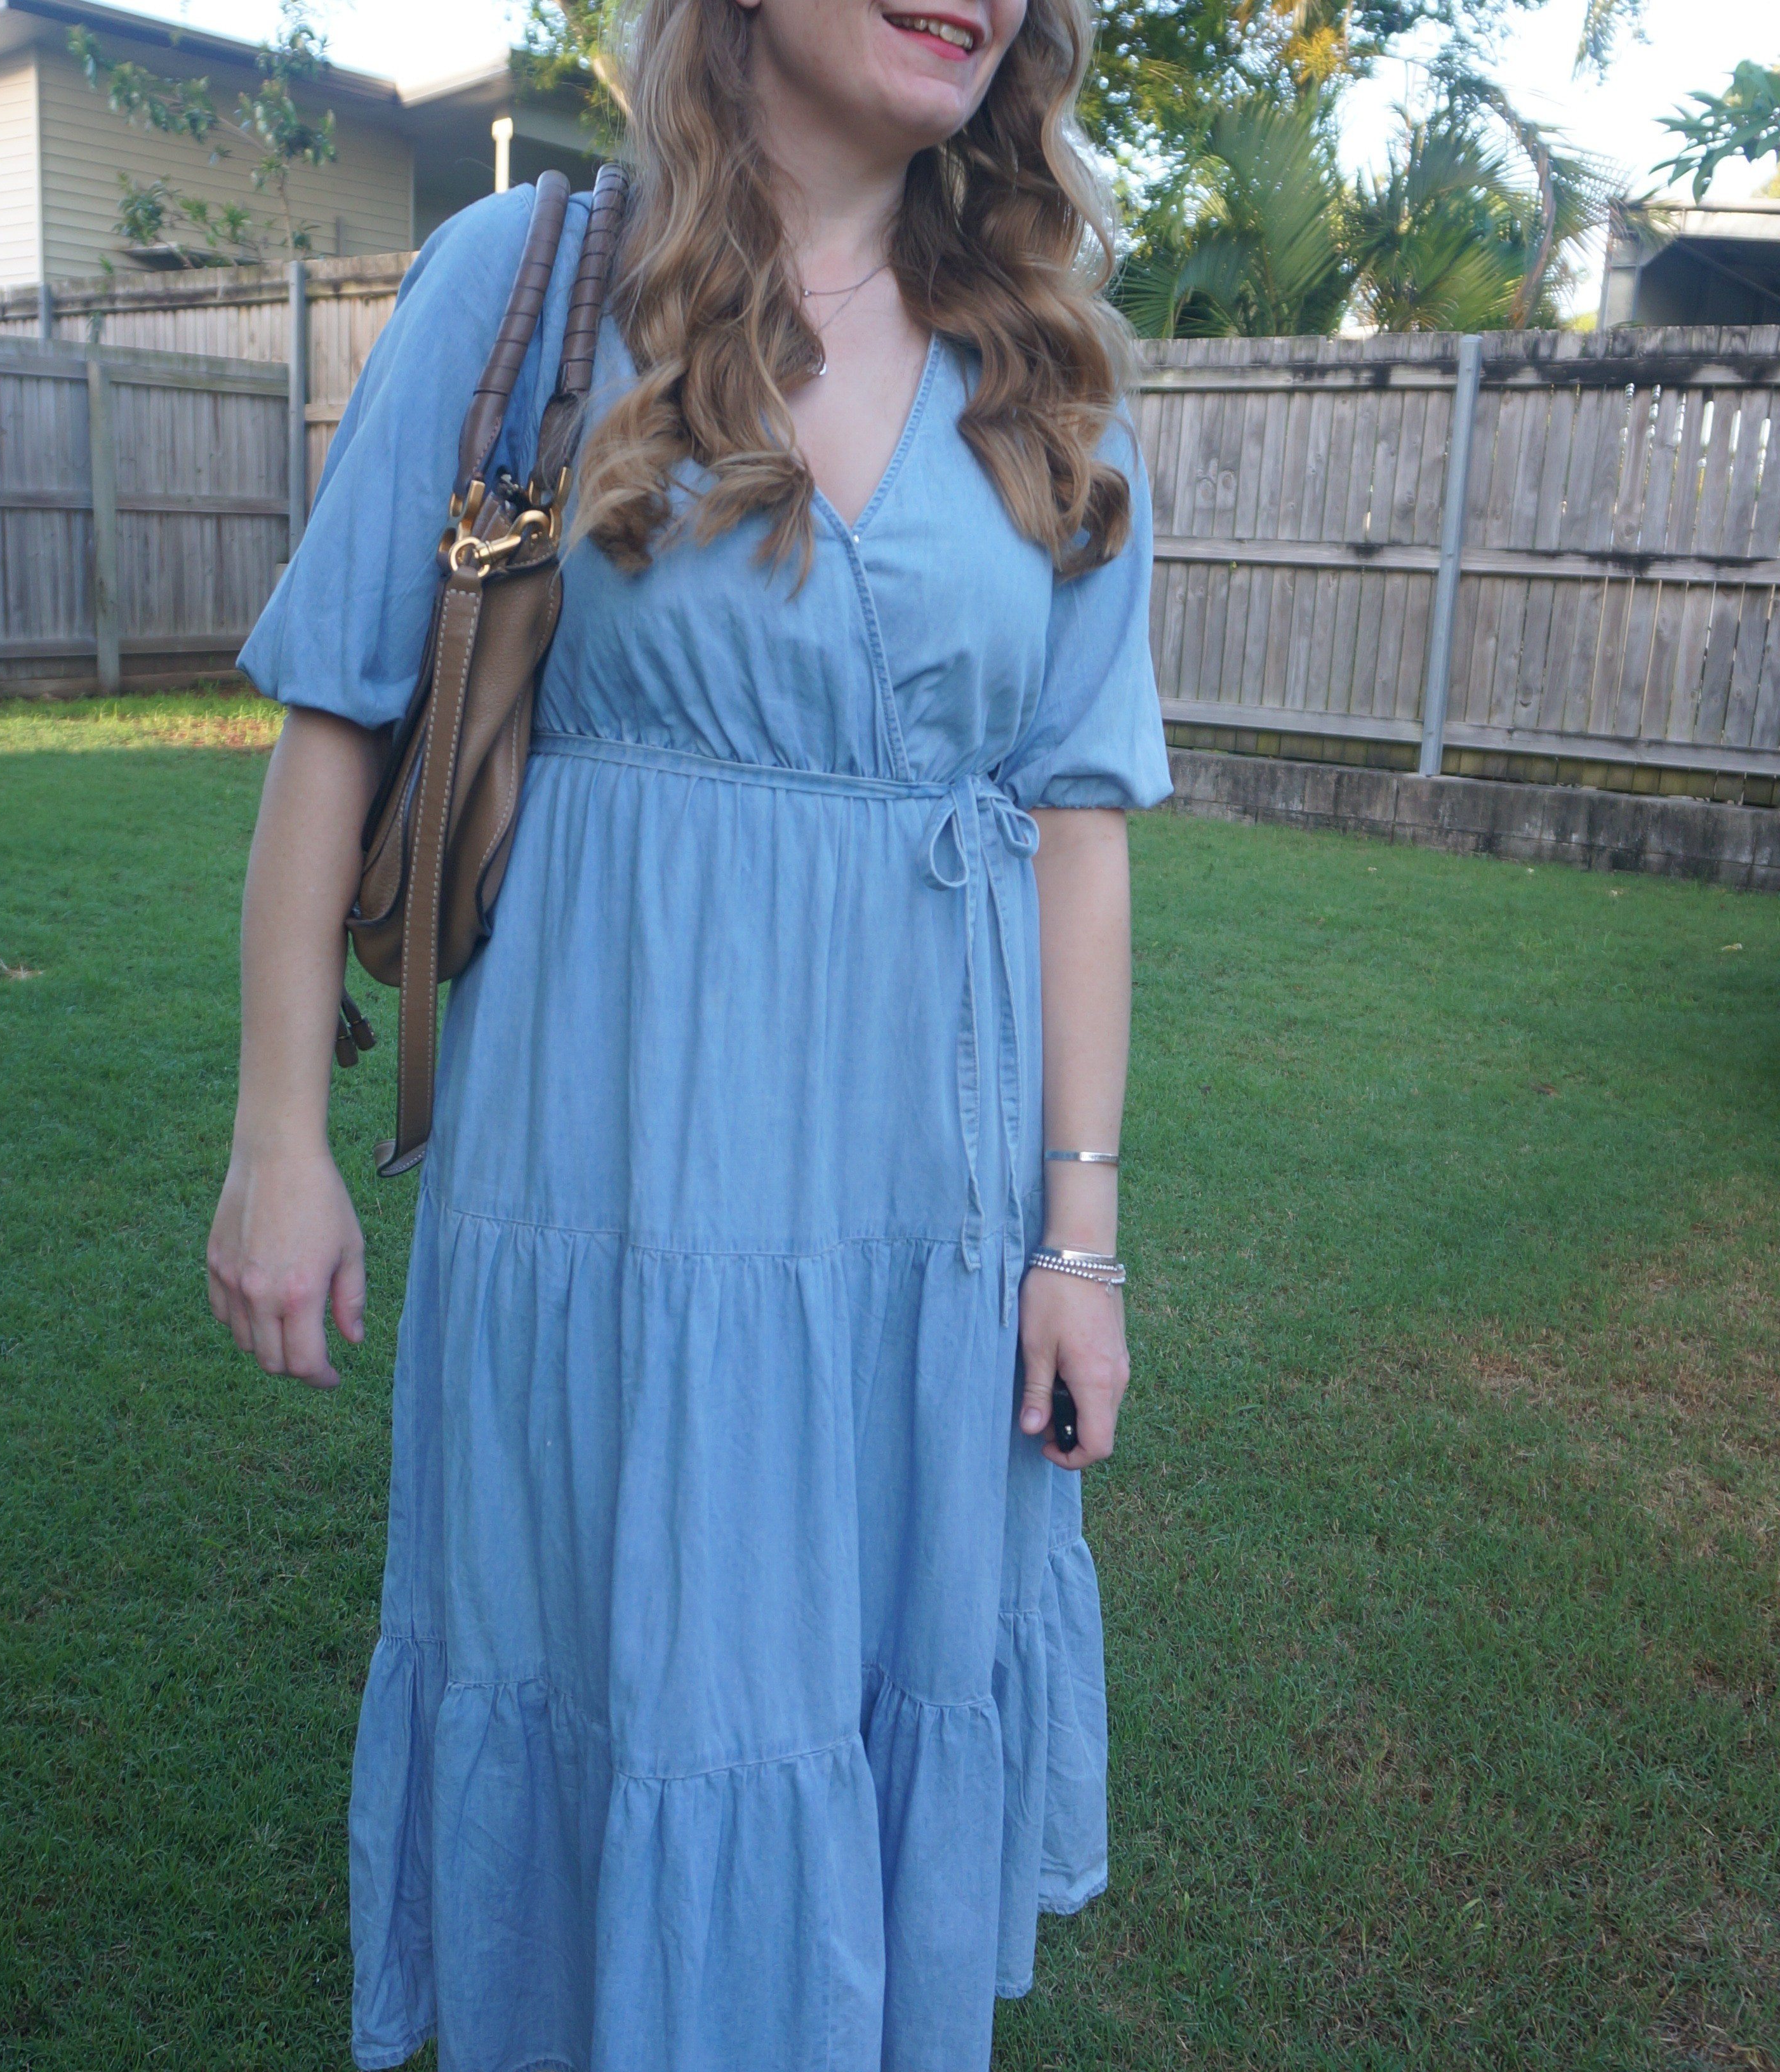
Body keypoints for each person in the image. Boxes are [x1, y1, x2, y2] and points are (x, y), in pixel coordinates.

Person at [208, 0, 1170, 2063]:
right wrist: (281, 1137)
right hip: (610, 1187)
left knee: (862, 1692)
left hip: (924, 1217)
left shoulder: (1048, 365)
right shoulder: (536, 282)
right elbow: (337, 717)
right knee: (627, 1665)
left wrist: (1077, 1245)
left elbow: (1079, 825)